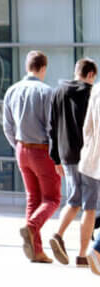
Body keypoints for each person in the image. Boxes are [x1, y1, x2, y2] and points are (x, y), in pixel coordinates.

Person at [3, 51, 62, 263]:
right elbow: (51, 128)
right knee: (52, 198)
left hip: (21, 149)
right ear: (43, 68)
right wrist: (57, 158)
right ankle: (31, 226)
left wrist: (18, 146)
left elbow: (7, 126)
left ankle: (36, 251)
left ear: (27, 66)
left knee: (33, 199)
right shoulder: (47, 92)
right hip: (42, 150)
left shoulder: (11, 91)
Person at [48, 58, 98, 266]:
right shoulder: (91, 93)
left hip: (66, 155)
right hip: (88, 157)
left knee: (74, 200)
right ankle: (82, 254)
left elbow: (52, 127)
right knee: (89, 207)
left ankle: (58, 234)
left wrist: (56, 158)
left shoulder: (58, 92)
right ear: (90, 75)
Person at [77, 80, 100, 276]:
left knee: (90, 207)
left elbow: (87, 128)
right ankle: (97, 249)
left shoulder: (97, 89)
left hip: (94, 160)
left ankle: (95, 250)